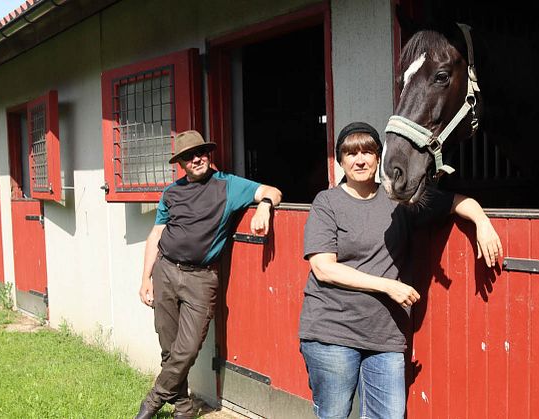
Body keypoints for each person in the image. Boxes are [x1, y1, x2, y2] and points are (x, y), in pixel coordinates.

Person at [298, 122, 502, 419]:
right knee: (334, 414)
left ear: (379, 157)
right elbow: (324, 268)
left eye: (368, 151)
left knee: (390, 416)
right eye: (350, 153)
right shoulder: (327, 202)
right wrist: (388, 286)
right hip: (332, 333)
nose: (360, 160)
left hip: (386, 334)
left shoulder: (399, 201)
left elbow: (457, 202)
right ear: (340, 161)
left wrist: (481, 221)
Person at [135, 130, 282, 419]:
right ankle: (183, 407)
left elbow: (272, 191)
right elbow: (156, 234)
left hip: (201, 279)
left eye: (201, 152)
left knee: (187, 349)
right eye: (189, 156)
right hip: (165, 271)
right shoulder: (171, 193)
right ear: (181, 163)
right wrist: (145, 279)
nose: (197, 158)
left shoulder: (228, 186)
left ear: (208, 154)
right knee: (169, 347)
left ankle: (152, 402)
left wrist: (264, 206)